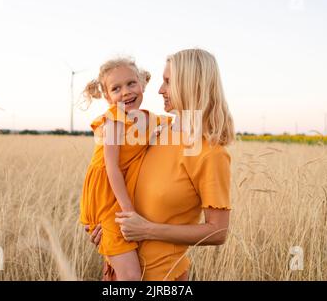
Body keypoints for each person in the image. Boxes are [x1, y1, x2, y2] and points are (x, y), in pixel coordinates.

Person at [88, 48, 235, 281]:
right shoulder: (155, 133)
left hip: (163, 278)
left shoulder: (210, 154)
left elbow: (218, 232)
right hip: (117, 272)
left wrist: (146, 229)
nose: (159, 90)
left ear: (190, 85)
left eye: (168, 82)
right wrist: (106, 226)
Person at [80, 57, 161, 281]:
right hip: (106, 197)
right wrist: (128, 211)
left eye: (131, 84)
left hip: (116, 196)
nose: (125, 92)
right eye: (116, 88)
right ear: (107, 97)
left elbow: (173, 126)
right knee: (131, 277)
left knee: (123, 271)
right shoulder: (114, 120)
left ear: (142, 85)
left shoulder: (146, 120)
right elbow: (111, 167)